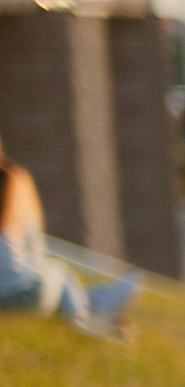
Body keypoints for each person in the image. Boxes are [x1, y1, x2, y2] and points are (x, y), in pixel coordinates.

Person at [0, 133, 141, 337]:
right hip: (20, 296)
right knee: (59, 272)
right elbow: (33, 250)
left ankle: (96, 308)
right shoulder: (14, 180)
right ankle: (88, 320)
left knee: (56, 278)